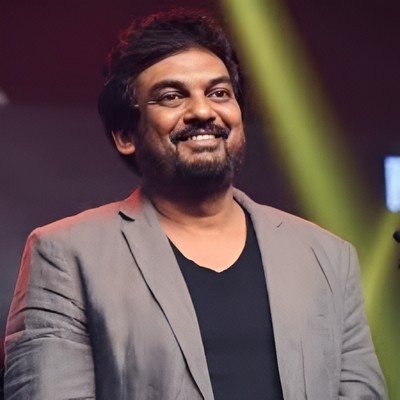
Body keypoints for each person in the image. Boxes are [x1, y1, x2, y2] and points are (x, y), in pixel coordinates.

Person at [3, 9, 386, 400]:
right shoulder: (65, 255)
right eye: (172, 96)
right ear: (126, 135)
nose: (203, 111)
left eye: (219, 93)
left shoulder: (328, 256)